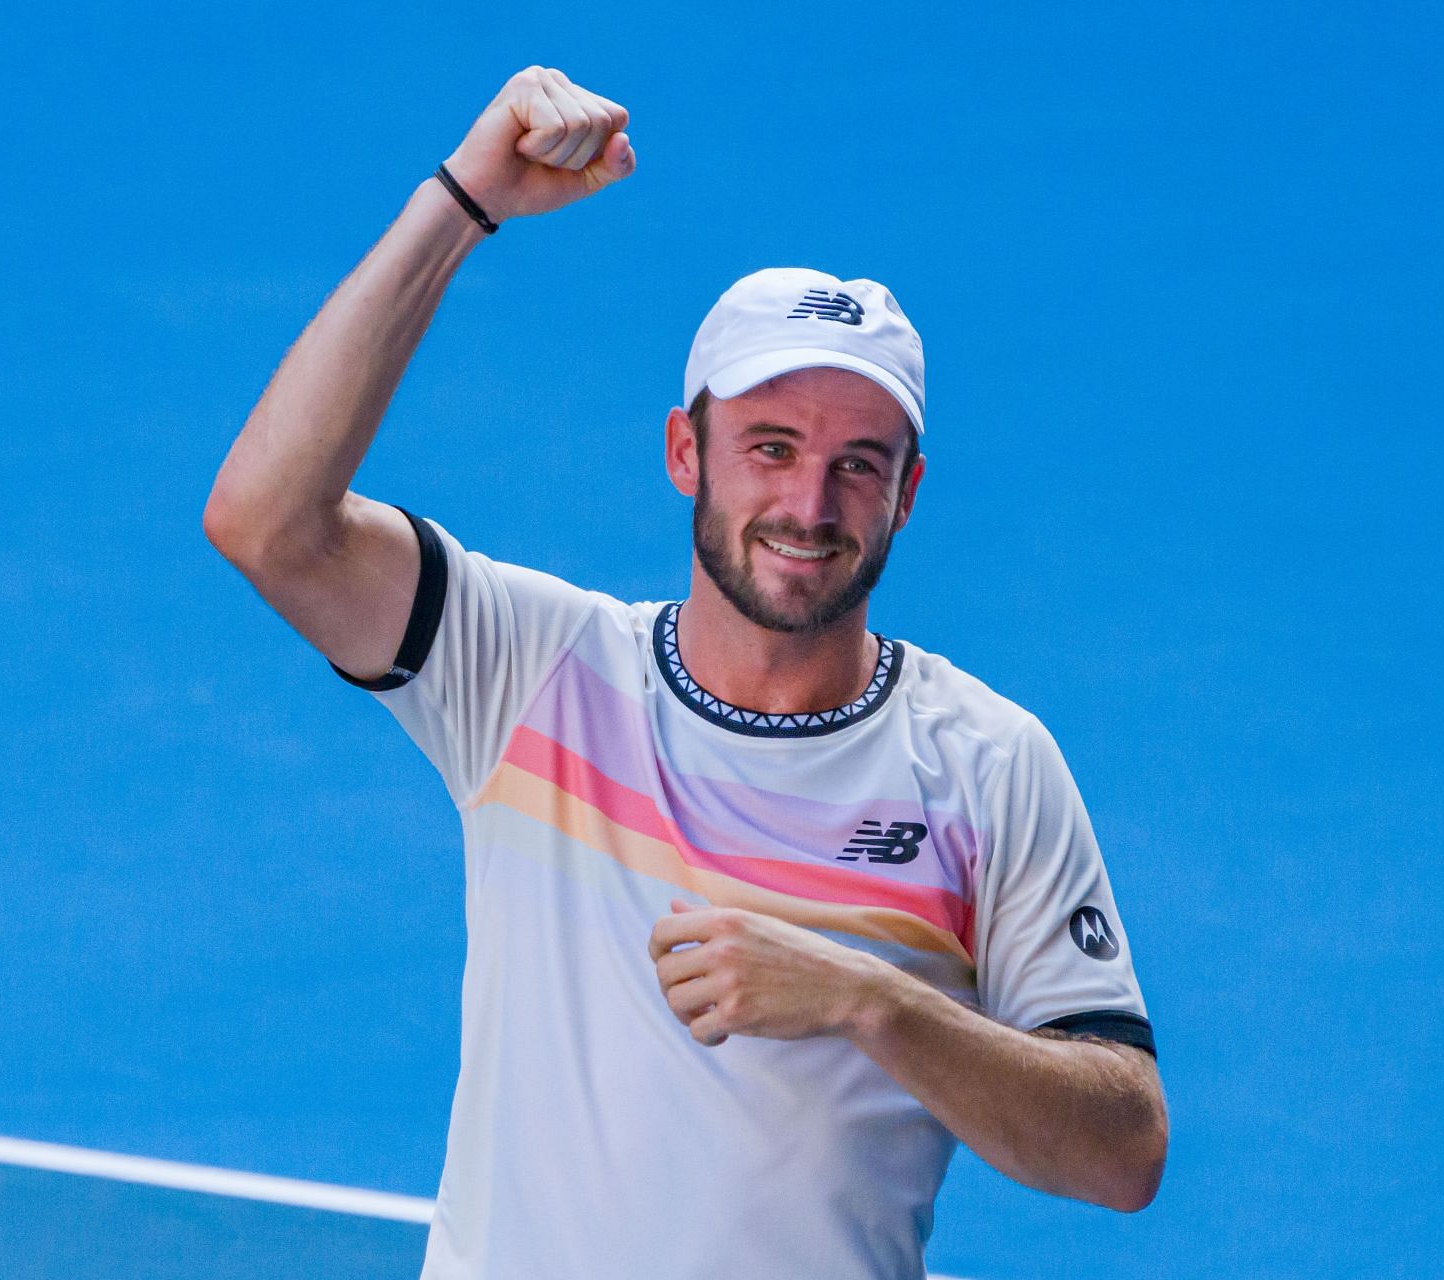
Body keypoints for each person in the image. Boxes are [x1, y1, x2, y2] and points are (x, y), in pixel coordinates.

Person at [204, 66, 1167, 1280]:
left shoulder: (987, 764)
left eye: (858, 464)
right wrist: (463, 201)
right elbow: (268, 523)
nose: (809, 503)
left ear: (909, 493)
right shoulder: (535, 668)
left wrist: (872, 999)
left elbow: (1124, 1146)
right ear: (684, 452)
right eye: (770, 447)